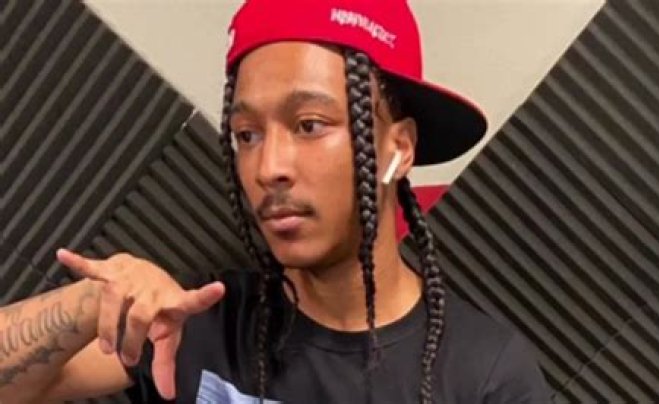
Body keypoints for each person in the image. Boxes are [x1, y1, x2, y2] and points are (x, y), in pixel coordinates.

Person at [0, 0, 550, 403]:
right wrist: (93, 303)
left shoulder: (485, 374)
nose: (268, 168)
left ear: (398, 148)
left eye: (310, 125)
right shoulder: (197, 324)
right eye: (247, 135)